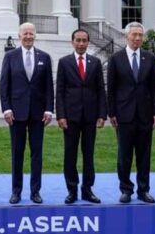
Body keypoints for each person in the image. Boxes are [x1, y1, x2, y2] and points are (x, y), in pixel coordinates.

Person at [0, 22, 54, 204]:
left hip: (39, 114)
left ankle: (35, 192)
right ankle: (16, 191)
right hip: (16, 114)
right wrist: (6, 108)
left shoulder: (45, 57)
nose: (29, 36)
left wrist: (49, 109)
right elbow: (4, 85)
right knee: (17, 153)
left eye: (31, 33)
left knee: (36, 154)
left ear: (35, 35)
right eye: (25, 34)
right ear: (19, 36)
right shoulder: (10, 57)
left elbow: (49, 87)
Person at [107, 22, 155, 203]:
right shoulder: (116, 58)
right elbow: (111, 88)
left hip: (145, 114)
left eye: (140, 35)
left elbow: (154, 88)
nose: (137, 38)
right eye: (134, 35)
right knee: (125, 154)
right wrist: (112, 112)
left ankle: (143, 190)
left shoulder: (149, 58)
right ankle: (126, 189)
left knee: (144, 154)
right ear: (126, 37)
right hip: (123, 114)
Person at [55, 29, 106, 204]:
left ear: (88, 42)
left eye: (84, 40)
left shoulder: (95, 62)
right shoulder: (64, 62)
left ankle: (87, 190)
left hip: (91, 116)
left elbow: (100, 89)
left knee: (88, 155)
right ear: (72, 42)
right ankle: (72, 190)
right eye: (78, 40)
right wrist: (60, 115)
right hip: (70, 117)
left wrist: (102, 114)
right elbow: (60, 90)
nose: (81, 43)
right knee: (70, 155)